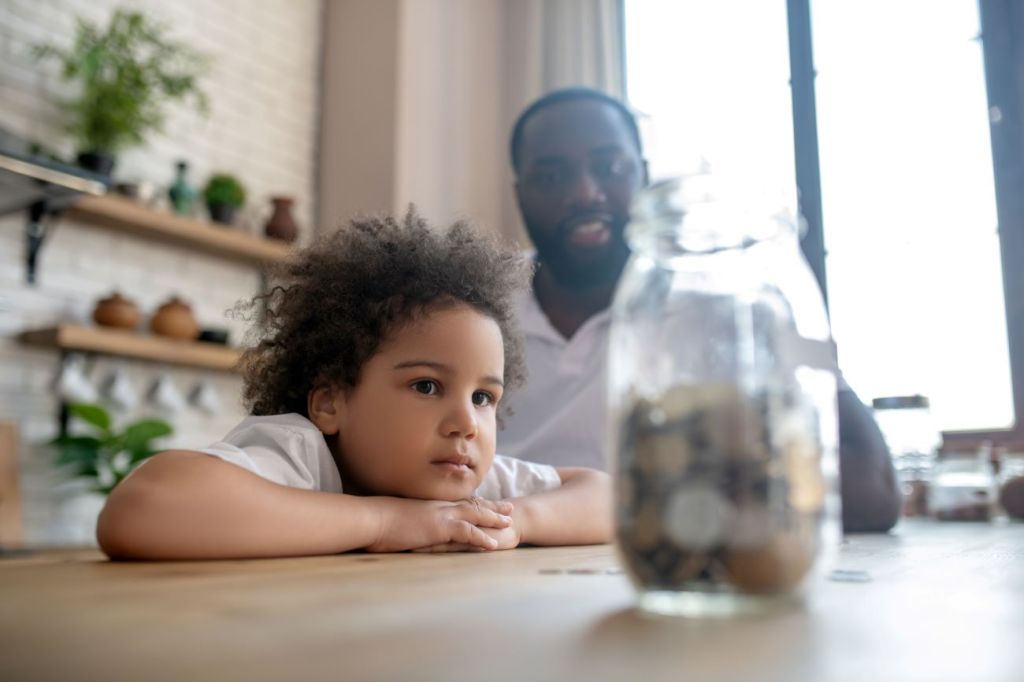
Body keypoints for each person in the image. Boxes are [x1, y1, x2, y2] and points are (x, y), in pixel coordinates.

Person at [97, 209, 612, 560]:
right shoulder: (298, 455)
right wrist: (385, 523)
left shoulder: (469, 489)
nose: (466, 423)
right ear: (329, 402)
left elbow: (610, 498)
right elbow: (142, 508)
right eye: (428, 387)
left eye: (483, 398)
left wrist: (518, 520)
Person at [498, 87, 901, 533]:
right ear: (519, 194)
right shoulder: (477, 305)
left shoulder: (728, 296)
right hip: (489, 555)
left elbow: (872, 493)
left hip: (679, 556)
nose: (585, 193)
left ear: (643, 175)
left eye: (610, 167)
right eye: (551, 177)